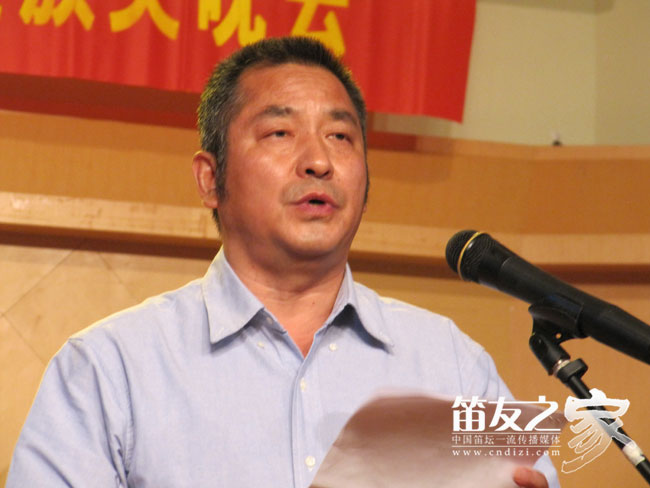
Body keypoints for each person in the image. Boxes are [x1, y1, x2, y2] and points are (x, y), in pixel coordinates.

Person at [7, 37, 557, 487]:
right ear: (210, 178)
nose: (318, 161)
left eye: (340, 136)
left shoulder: (453, 363)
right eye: (280, 133)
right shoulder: (109, 368)